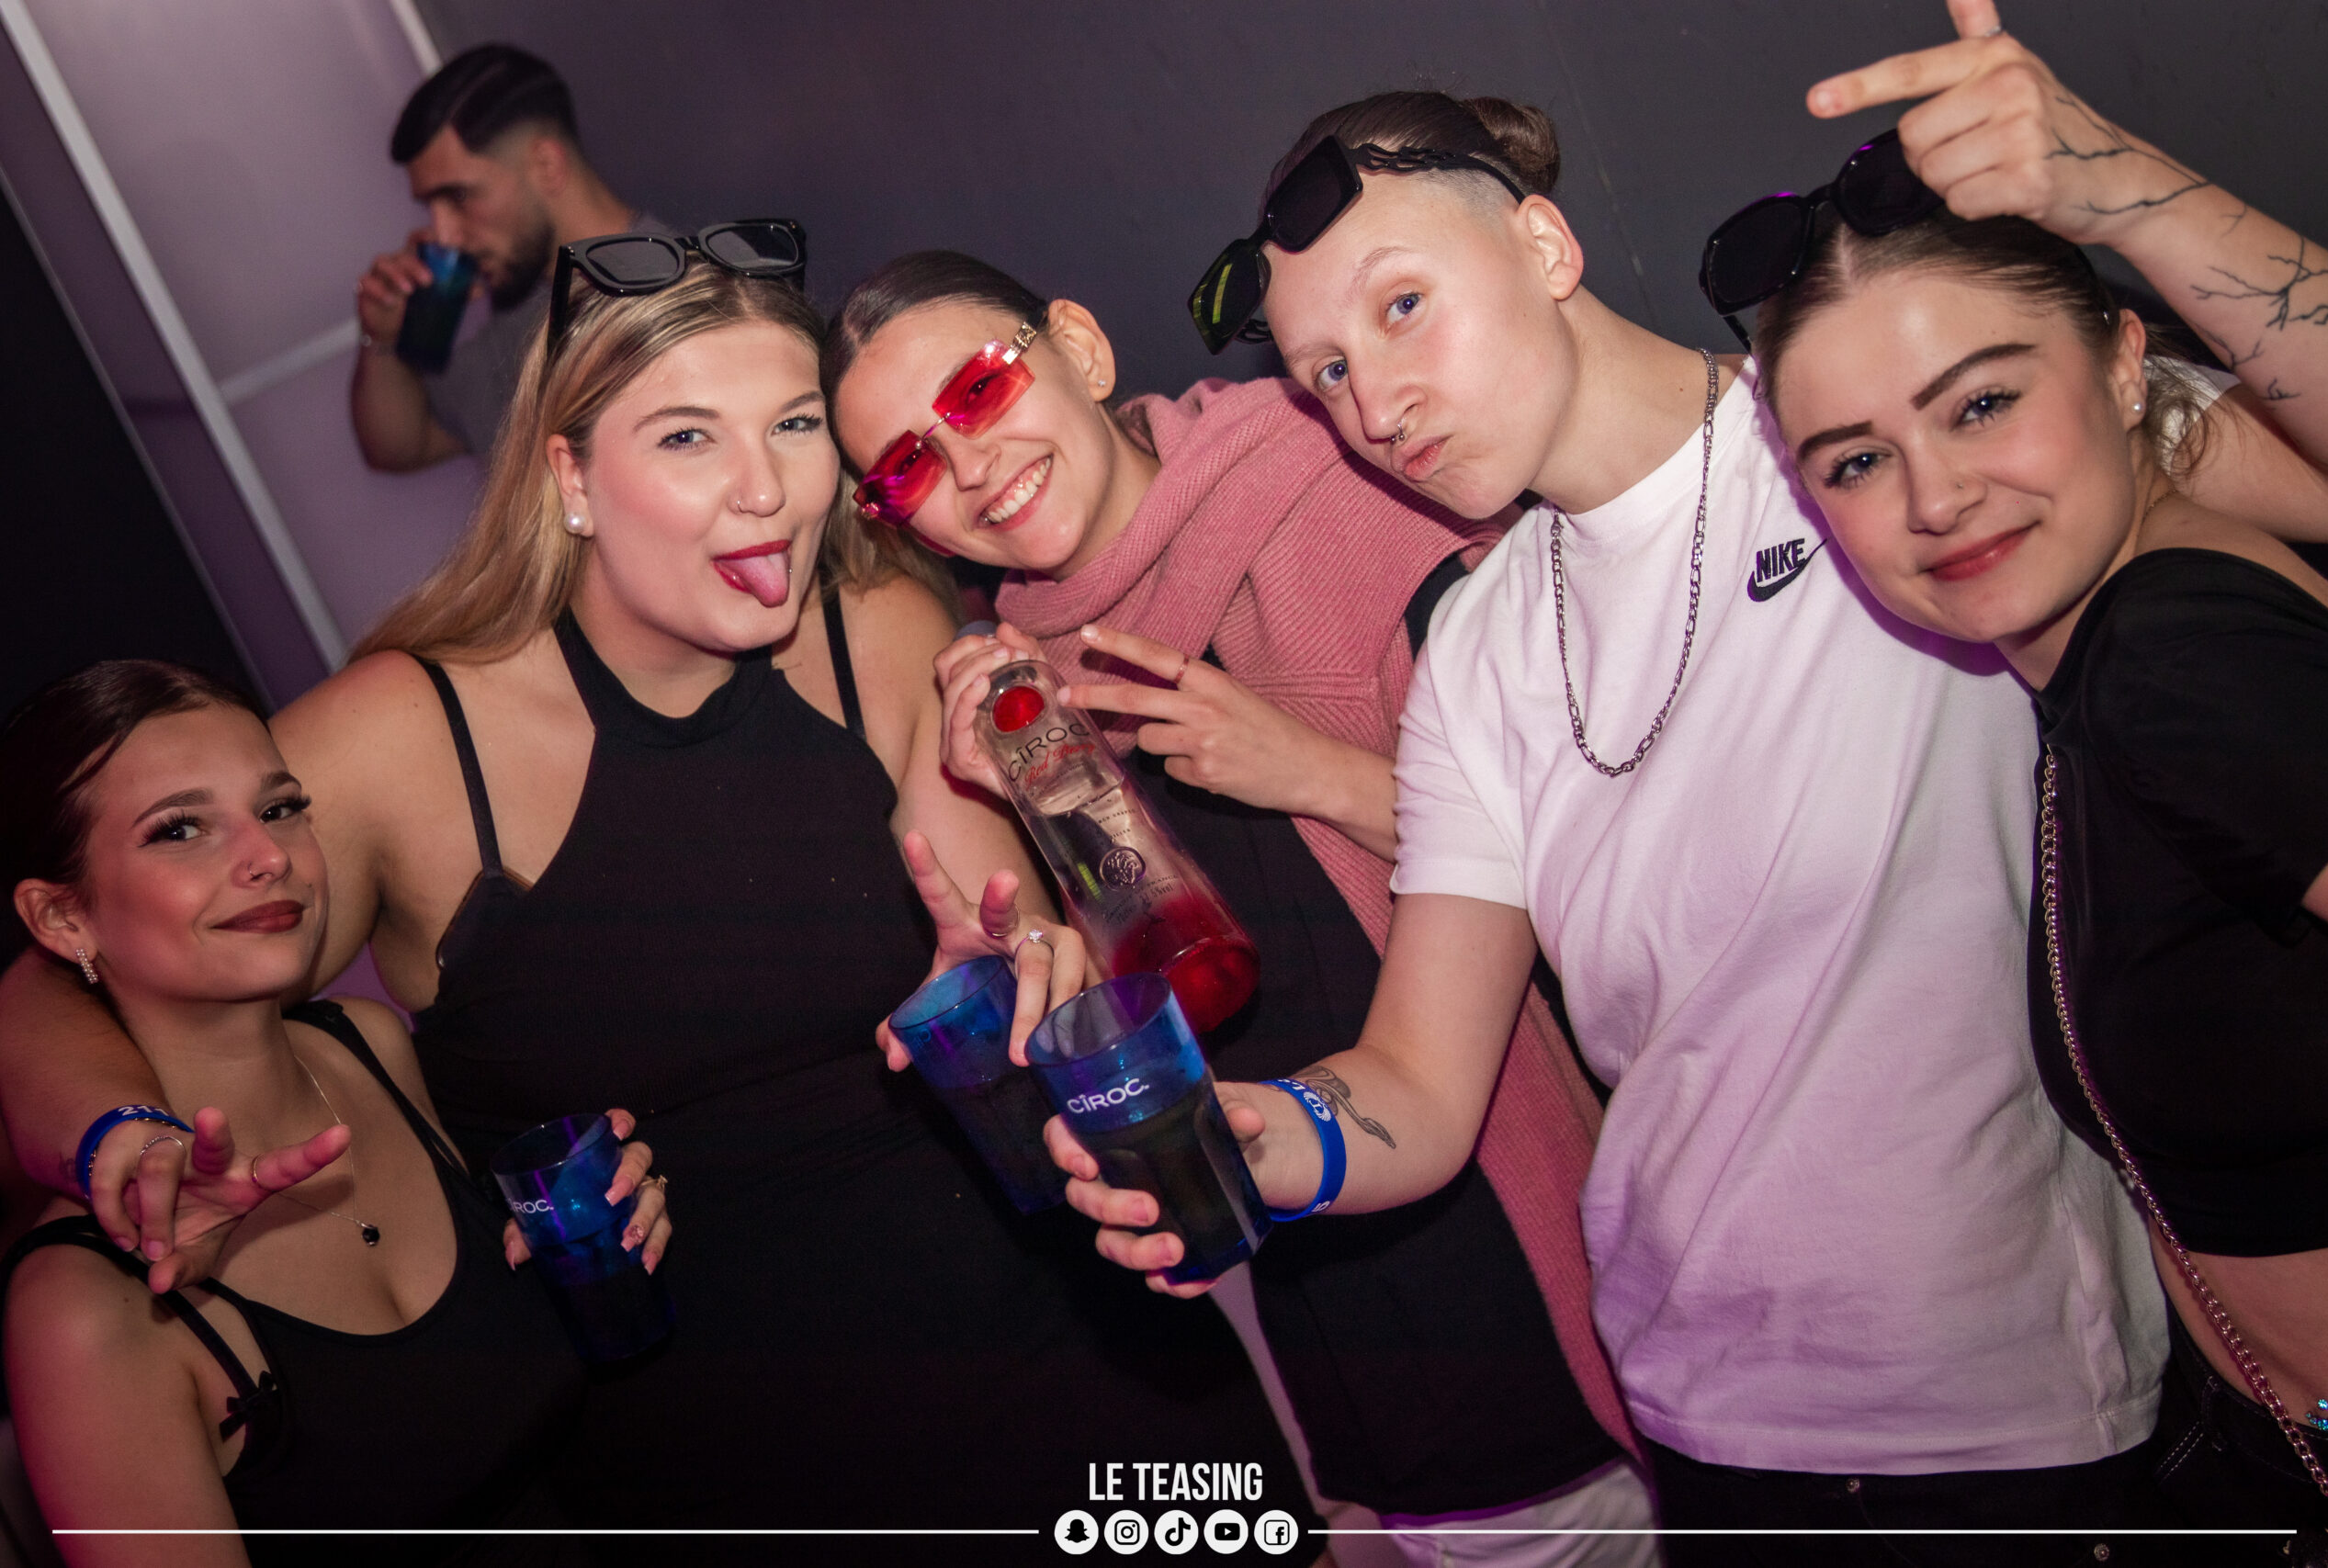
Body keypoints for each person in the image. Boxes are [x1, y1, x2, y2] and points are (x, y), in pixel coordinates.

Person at [1051, 4, 2328, 1558]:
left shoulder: (1872, 436)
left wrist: (2118, 188)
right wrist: (1268, 1132)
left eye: (1404, 307)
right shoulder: (1479, 647)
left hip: (2016, 1409)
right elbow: (1419, 1086)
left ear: (1543, 244)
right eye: (1325, 370)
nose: (1373, 403)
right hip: (1703, 1420)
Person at [0, 250, 1322, 1557]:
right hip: (725, 1473)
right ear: (571, 477)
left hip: (1086, 1383)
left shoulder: (874, 627)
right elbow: (57, 976)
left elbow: (1006, 955)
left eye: (794, 424)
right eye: (689, 436)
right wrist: (113, 1132)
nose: (766, 489)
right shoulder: (406, 740)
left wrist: (1007, 968)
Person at [826, 250, 1655, 1563]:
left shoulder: (1359, 487)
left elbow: (1626, 860)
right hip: (1345, 1319)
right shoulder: (1021, 686)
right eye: (908, 467)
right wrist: (1037, 878)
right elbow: (1184, 984)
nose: (969, 468)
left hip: (1556, 1240)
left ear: (1078, 348)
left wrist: (1307, 770)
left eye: (978, 391)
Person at [1751, 15, 2328, 1536]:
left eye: (1981, 401)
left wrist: (2117, 185)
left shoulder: (2170, 656)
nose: (1938, 496)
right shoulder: (2124, 626)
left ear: (2127, 362)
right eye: (1856, 459)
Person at [0, 659, 669, 1564]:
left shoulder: (369, 1048)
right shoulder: (78, 1309)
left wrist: (583, 1245)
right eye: (181, 828)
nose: (269, 855)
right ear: (62, 919)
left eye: (280, 808)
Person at [353, 43, 661, 471]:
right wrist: (383, 337)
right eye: (431, 209)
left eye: (459, 197)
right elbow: (403, 446)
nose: (444, 236)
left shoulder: (690, 297)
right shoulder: (520, 322)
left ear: (547, 166)